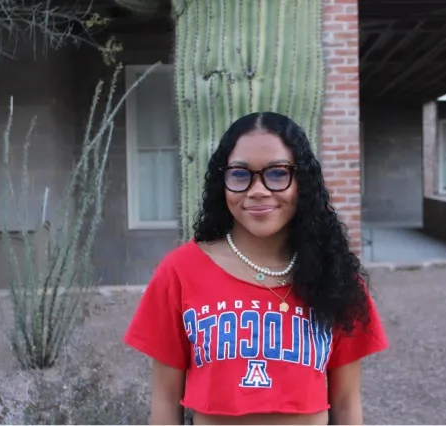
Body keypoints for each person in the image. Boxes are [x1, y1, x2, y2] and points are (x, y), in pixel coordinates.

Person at [123, 111, 389, 425]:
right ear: (222, 182)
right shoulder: (180, 271)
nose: (258, 190)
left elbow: (345, 403)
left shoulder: (336, 276)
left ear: (302, 181)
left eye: (277, 173)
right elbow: (166, 399)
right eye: (240, 174)